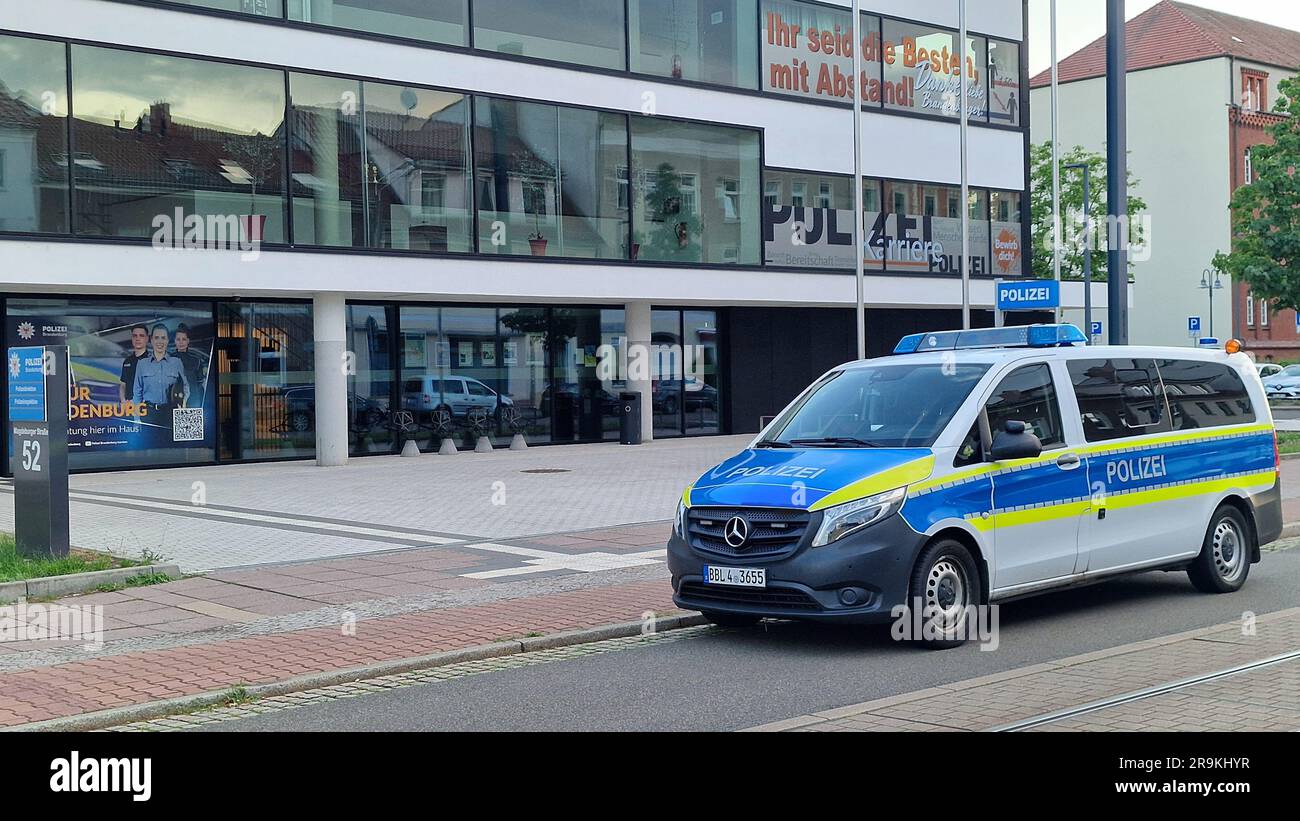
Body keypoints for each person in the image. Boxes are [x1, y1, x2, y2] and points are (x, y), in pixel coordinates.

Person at [133, 324, 189, 427]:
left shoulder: (176, 363)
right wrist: (136, 419)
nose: (160, 341)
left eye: (163, 338)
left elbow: (186, 387)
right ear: (151, 340)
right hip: (148, 415)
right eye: (156, 337)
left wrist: (183, 404)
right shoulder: (142, 364)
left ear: (167, 340)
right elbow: (137, 393)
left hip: (170, 415)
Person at [173, 323, 207, 407]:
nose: (181, 342)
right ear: (175, 341)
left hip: (194, 400)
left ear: (188, 341)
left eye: (183, 339)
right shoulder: (168, 359)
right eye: (178, 339)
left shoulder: (196, 360)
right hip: (175, 400)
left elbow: (200, 383)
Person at [119, 324, 150, 404]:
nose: (138, 339)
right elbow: (123, 384)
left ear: (147, 338)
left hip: (146, 409)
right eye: (135, 336)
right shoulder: (127, 361)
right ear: (132, 338)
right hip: (129, 409)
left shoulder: (152, 361)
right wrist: (123, 401)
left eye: (141, 336)